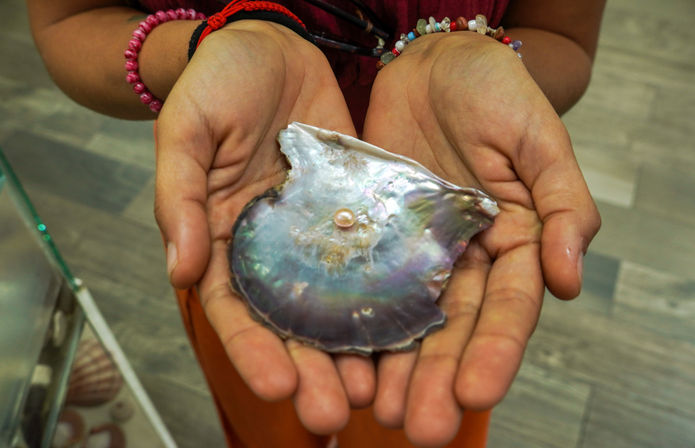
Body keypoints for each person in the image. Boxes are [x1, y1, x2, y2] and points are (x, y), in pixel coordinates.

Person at [26, 0, 604, 446]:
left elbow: (566, 43)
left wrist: (475, 57)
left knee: (423, 413)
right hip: (233, 184)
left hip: (456, 166)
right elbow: (70, 20)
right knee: (267, 418)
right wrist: (207, 46)